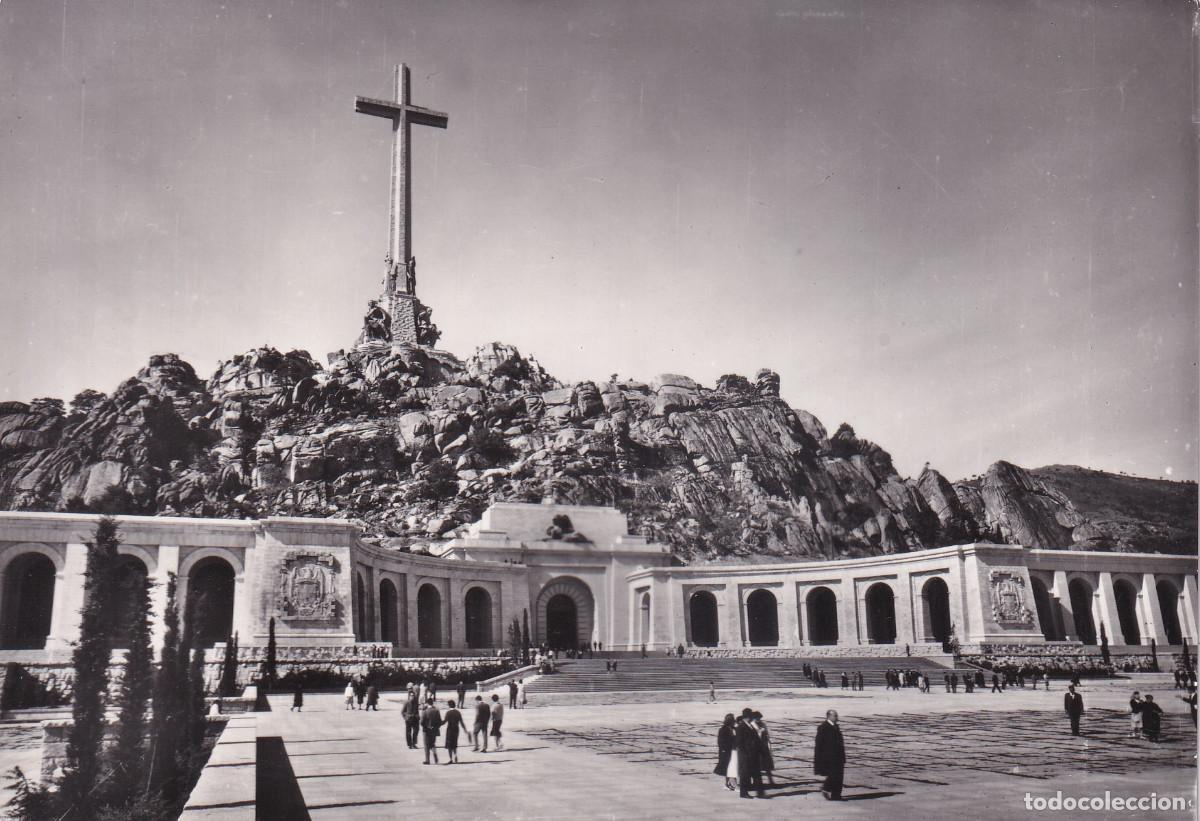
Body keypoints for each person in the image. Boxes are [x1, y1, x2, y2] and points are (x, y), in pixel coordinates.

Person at [814, 709, 846, 801]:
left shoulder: (835, 726)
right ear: (829, 716)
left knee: (839, 776)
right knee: (834, 775)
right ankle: (827, 789)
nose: (837, 718)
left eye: (837, 716)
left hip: (838, 756)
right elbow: (819, 743)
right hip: (830, 757)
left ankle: (835, 795)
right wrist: (822, 757)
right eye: (835, 716)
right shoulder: (823, 727)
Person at [734, 709, 764, 799]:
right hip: (745, 755)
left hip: (752, 754)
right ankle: (743, 793)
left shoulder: (749, 725)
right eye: (751, 716)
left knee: (755, 773)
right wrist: (745, 754)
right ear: (747, 717)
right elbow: (739, 742)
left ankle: (759, 793)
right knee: (745, 775)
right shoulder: (741, 727)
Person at [714, 713, 737, 791]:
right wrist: (723, 749)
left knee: (732, 768)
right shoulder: (723, 729)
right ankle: (728, 784)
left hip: (733, 751)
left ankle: (731, 784)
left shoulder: (733, 728)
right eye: (732, 721)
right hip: (726, 752)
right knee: (727, 768)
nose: (734, 722)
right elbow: (720, 741)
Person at [752, 711, 775, 786]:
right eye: (757, 718)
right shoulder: (752, 724)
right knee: (756, 766)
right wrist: (760, 731)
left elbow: (767, 735)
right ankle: (756, 782)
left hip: (764, 747)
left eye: (759, 718)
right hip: (756, 748)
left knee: (767, 766)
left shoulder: (763, 724)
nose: (759, 719)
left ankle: (771, 781)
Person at [421, 698, 443, 764]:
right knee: (432, 744)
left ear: (427, 703)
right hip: (434, 730)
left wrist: (427, 727)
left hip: (426, 731)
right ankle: (435, 754)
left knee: (426, 745)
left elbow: (422, 722)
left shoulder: (425, 711)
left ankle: (427, 760)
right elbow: (439, 721)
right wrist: (435, 727)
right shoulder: (436, 711)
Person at [443, 699, 464, 763]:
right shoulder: (458, 712)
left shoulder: (448, 712)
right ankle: (455, 755)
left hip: (450, 729)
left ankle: (450, 759)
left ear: (449, 705)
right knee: (454, 743)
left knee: (449, 745)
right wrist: (465, 730)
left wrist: (437, 723)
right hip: (456, 729)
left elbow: (444, 722)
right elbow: (461, 722)